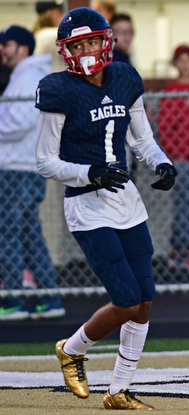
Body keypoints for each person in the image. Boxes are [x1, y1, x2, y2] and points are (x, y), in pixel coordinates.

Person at [35, 7, 176, 409]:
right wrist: (90, 173)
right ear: (65, 50)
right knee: (127, 299)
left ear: (105, 41)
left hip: (127, 201)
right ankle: (72, 348)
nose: (85, 50)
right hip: (87, 206)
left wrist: (161, 162)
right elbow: (45, 160)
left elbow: (141, 138)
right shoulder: (58, 89)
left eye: (90, 41)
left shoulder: (125, 77)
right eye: (76, 44)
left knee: (145, 300)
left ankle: (117, 391)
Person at [0, 25, 65, 321]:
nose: (2, 49)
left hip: (18, 169)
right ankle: (50, 299)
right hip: (24, 167)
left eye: (7, 44)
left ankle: (13, 299)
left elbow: (20, 121)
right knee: (28, 234)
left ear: (23, 48)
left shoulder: (27, 76)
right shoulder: (25, 75)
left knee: (9, 233)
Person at [157, 44, 189, 272]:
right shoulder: (172, 90)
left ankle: (177, 251)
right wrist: (175, 155)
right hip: (183, 159)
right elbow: (165, 127)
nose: (185, 65)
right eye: (181, 60)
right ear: (175, 64)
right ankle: (182, 251)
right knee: (184, 206)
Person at [33, 1, 65, 73]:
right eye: (60, 12)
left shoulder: (40, 34)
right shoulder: (47, 35)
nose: (63, 16)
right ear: (52, 13)